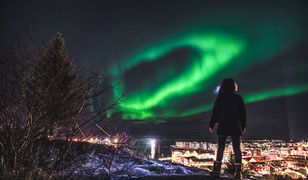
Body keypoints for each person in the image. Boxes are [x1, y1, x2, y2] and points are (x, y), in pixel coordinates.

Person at [209, 78, 246, 179]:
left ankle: (217, 171)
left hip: (223, 124)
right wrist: (243, 126)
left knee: (221, 147)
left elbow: (215, 111)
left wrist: (211, 124)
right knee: (237, 149)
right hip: (235, 125)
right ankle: (238, 173)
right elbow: (242, 113)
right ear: (234, 87)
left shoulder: (220, 97)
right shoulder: (238, 98)